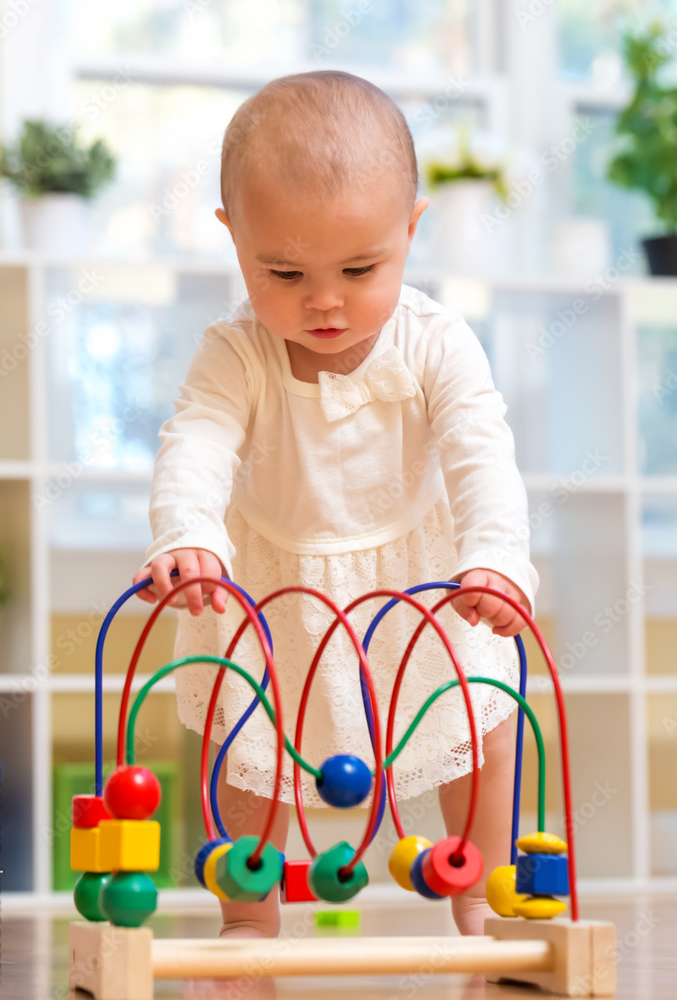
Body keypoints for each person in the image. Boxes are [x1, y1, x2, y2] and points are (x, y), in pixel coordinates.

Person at [134, 69, 538, 941]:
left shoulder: (435, 344)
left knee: (483, 712)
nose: (322, 299)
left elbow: (481, 453)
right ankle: (247, 916)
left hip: (422, 587)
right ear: (231, 238)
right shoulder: (234, 352)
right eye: (282, 270)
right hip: (275, 593)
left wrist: (496, 559)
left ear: (411, 230)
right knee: (239, 742)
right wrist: (189, 534)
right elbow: (195, 442)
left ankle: (480, 900)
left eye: (360, 267)